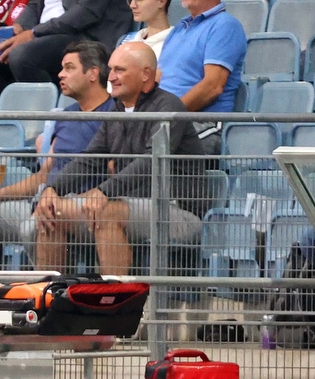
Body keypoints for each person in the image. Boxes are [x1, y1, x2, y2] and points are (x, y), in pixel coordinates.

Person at [35, 42, 207, 275]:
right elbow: (91, 159)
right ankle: (50, 298)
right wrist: (53, 188)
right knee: (51, 210)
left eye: (120, 70)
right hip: (129, 205)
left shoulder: (168, 107)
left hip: (175, 211)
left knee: (107, 211)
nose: (111, 77)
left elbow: (150, 161)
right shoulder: (117, 111)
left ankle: (114, 303)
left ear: (145, 74)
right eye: (111, 69)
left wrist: (104, 191)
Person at [0, 40, 114, 270]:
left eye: (69, 68)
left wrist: (63, 200)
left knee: (36, 225)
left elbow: (113, 176)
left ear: (93, 74)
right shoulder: (65, 116)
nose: (60, 75)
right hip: (41, 200)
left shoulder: (114, 115)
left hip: (81, 207)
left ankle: (46, 294)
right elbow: (43, 176)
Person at [0, 0, 132, 93]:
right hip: (43, 34)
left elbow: (84, 15)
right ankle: (8, 119)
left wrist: (33, 33)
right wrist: (20, 27)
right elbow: (33, 5)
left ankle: (44, 122)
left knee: (22, 56)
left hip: (86, 37)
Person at [157, 0, 247, 152]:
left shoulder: (225, 25)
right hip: (166, 118)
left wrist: (169, 115)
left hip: (202, 121)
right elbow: (158, 77)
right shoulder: (179, 28)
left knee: (150, 153)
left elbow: (212, 86)